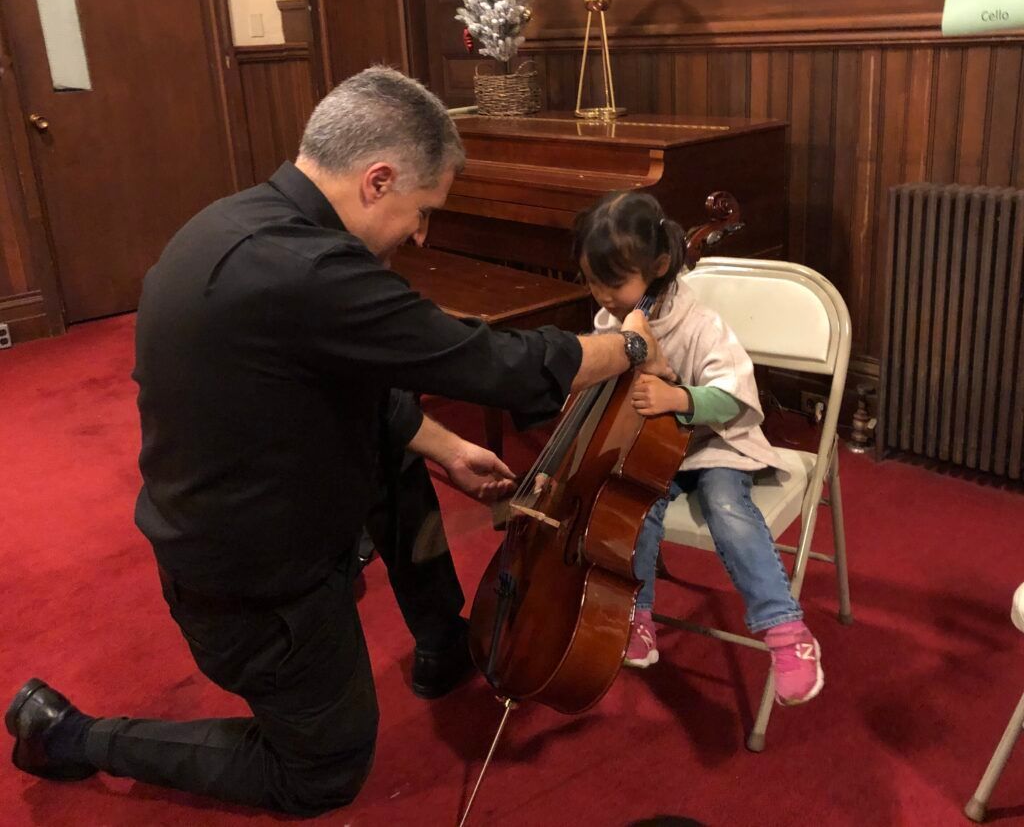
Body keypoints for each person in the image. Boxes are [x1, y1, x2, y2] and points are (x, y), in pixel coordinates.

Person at [5, 67, 673, 816]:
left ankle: (437, 640)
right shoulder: (310, 270)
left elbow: (335, 382)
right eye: (423, 212)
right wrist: (628, 347)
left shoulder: (237, 222)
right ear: (378, 180)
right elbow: (492, 363)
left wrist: (444, 444)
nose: (421, 234)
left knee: (402, 450)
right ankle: (72, 734)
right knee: (322, 772)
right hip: (251, 588)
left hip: (234, 514)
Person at [573, 190, 824, 706]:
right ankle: (636, 614)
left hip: (714, 447)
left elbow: (732, 398)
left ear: (660, 265)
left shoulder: (702, 326)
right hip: (650, 452)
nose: (601, 296)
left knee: (728, 507)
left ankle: (784, 630)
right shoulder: (610, 323)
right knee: (633, 511)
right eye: (591, 282)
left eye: (612, 283)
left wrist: (676, 394)